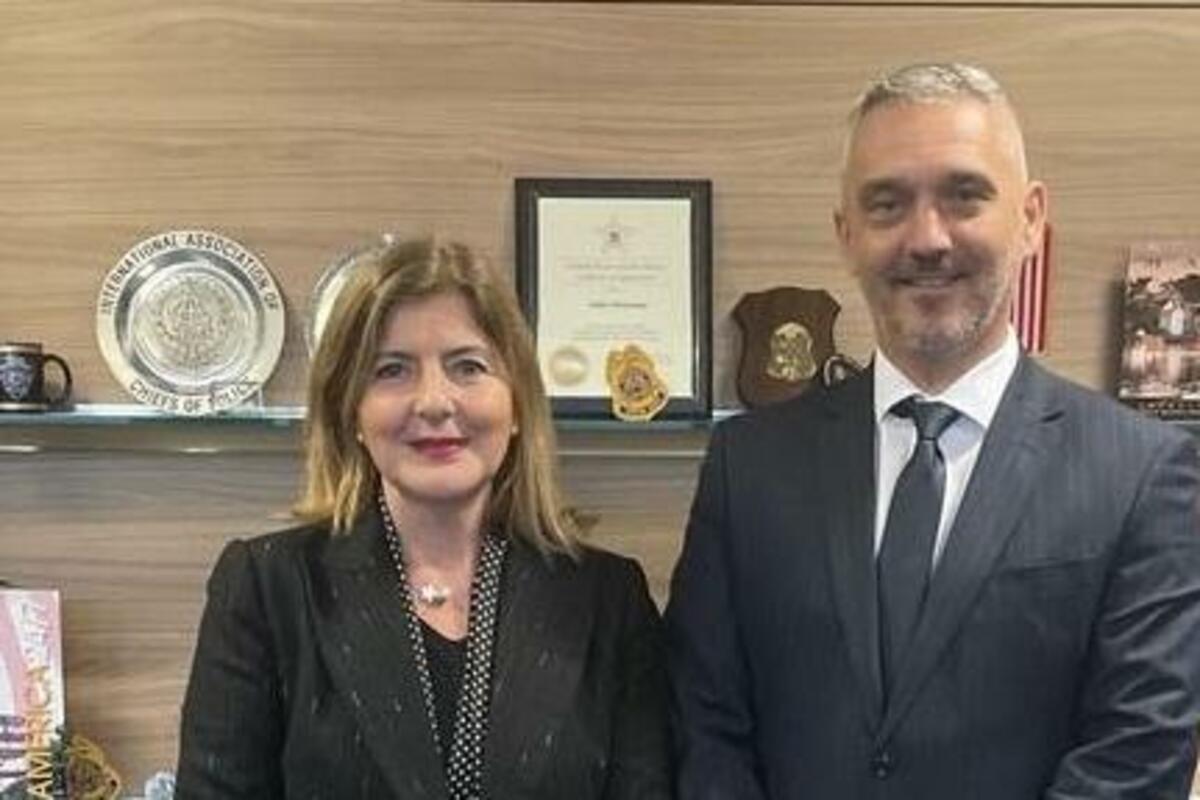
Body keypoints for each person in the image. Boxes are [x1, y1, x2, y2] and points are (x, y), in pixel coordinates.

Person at [666, 62, 1200, 799]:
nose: (927, 238)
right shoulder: (747, 463)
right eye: (887, 204)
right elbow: (703, 723)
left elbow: (1138, 749)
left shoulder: (1143, 473)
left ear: (1031, 218)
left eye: (964, 195)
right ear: (846, 233)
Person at [176, 237, 672, 799]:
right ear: (351, 411)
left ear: (517, 407)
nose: (434, 401)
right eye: (392, 370)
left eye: (468, 367)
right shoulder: (268, 587)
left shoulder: (608, 599)